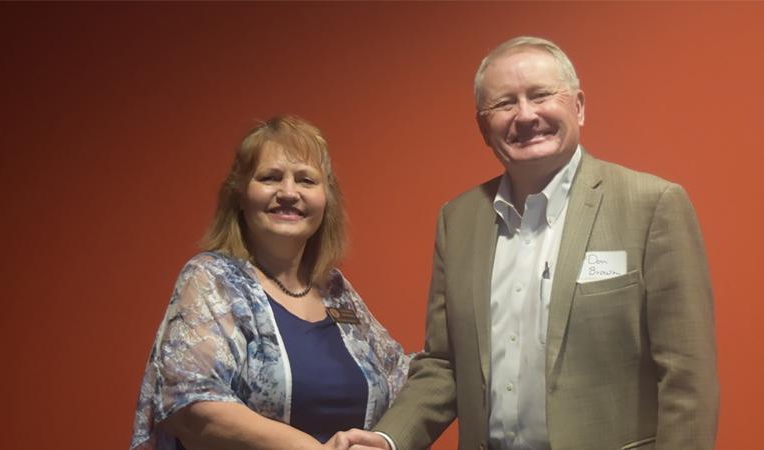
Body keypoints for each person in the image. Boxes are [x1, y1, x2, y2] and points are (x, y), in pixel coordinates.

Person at [348, 36, 719, 450]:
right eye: (505, 103)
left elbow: (688, 379)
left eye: (541, 95)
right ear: (483, 127)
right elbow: (444, 365)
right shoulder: (458, 219)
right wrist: (386, 439)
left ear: (578, 106)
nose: (525, 115)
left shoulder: (651, 206)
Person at [130, 116, 411, 450]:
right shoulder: (212, 279)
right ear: (240, 193)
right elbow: (191, 405)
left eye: (306, 180)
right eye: (270, 177)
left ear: (326, 199)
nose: (289, 193)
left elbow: (402, 378)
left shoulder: (335, 291)